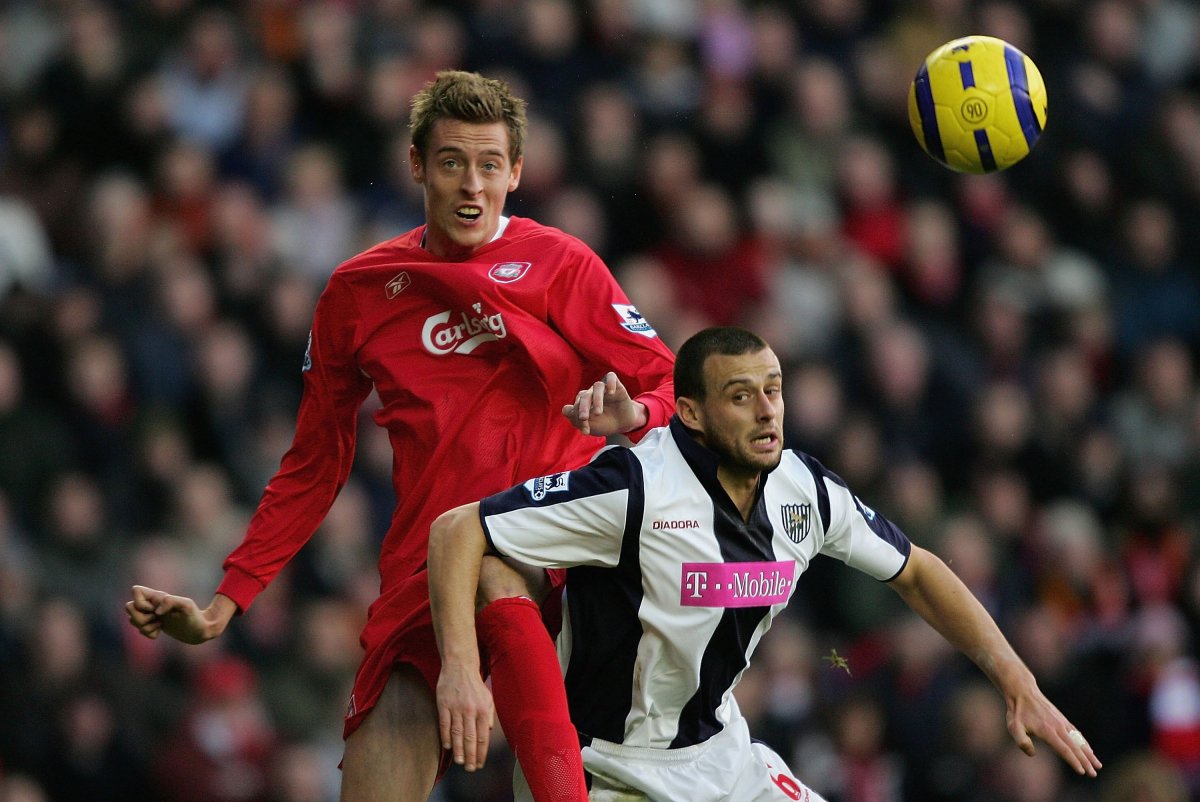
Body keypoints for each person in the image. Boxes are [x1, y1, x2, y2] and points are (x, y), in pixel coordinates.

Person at [125, 70, 676, 802]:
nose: (471, 186)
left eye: (489, 165)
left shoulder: (563, 265)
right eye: (451, 162)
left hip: (556, 553)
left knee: (491, 563)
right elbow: (314, 465)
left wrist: (632, 417)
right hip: (421, 575)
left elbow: (670, 383)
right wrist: (226, 603)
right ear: (417, 165)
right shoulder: (357, 292)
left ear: (516, 172)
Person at [427, 326, 1104, 802]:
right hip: (612, 769)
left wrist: (1016, 679)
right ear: (688, 412)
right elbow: (460, 530)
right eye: (740, 395)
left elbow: (919, 571)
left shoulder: (801, 489)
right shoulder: (634, 487)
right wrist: (460, 668)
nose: (766, 412)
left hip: (723, 757)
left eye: (774, 390)